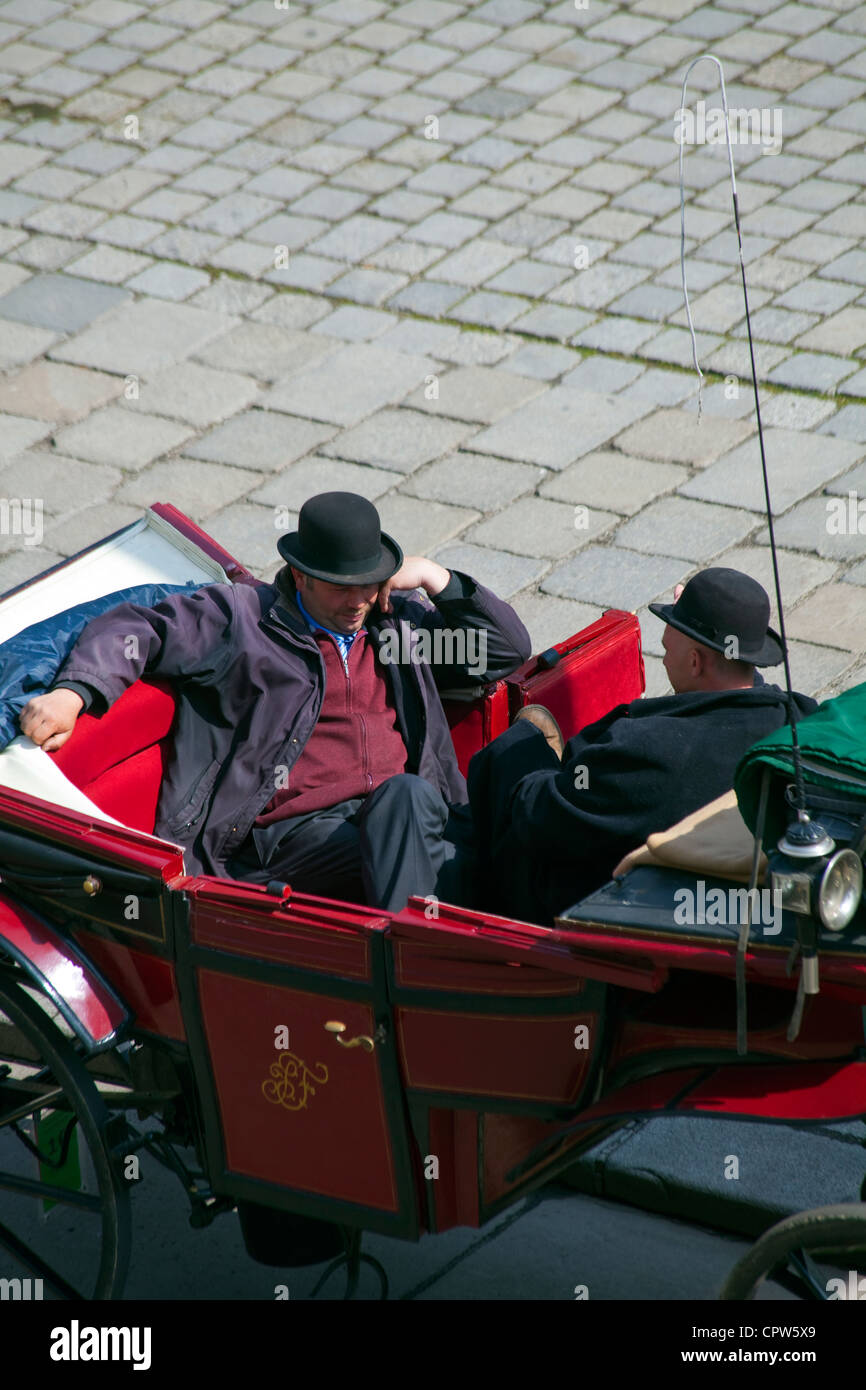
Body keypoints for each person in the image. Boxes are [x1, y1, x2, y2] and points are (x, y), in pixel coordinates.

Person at [19, 492, 531, 913]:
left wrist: (433, 577)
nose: (356, 602)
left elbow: (505, 649)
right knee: (417, 813)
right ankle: (417, 976)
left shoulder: (398, 626)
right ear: (302, 575)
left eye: (367, 584)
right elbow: (140, 629)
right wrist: (74, 692)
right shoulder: (242, 620)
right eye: (340, 587)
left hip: (411, 819)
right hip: (296, 840)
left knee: (508, 804)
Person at [467, 567, 818, 926]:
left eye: (667, 648)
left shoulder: (647, 752)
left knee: (507, 765)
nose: (664, 658)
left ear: (695, 662)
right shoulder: (799, 722)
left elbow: (538, 811)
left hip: (592, 911)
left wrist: (523, 748)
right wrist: (697, 620)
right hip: (721, 903)